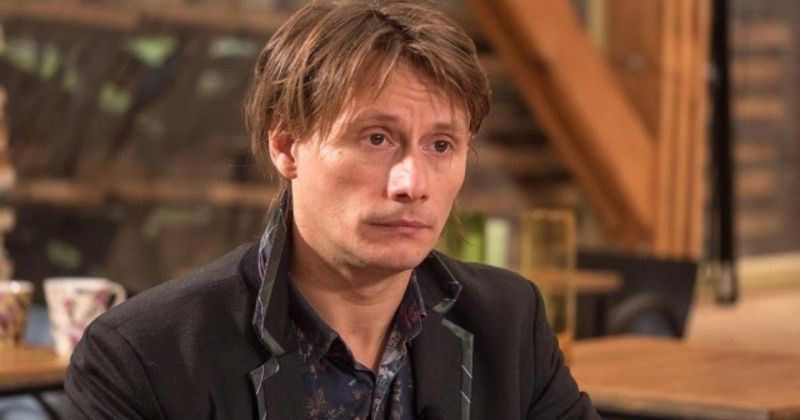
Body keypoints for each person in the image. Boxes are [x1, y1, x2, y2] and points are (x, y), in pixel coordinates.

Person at [64, 0, 599, 418]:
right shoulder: (144, 356)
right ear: (286, 147)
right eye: (375, 138)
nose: (412, 184)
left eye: (441, 145)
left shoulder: (508, 322)